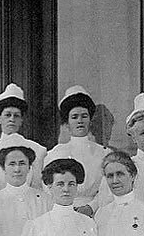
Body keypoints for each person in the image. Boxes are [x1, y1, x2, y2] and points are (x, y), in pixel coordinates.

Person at [0, 83, 47, 193]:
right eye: (7, 115)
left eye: (16, 115)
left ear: (21, 120)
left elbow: (38, 186)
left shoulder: (38, 150)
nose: (12, 119)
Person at [44, 86, 108, 216]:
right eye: (74, 117)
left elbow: (107, 189)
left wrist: (90, 207)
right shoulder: (55, 153)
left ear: (90, 120)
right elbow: (47, 188)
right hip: (62, 212)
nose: (80, 121)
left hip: (96, 212)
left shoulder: (104, 153)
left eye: (84, 116)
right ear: (67, 123)